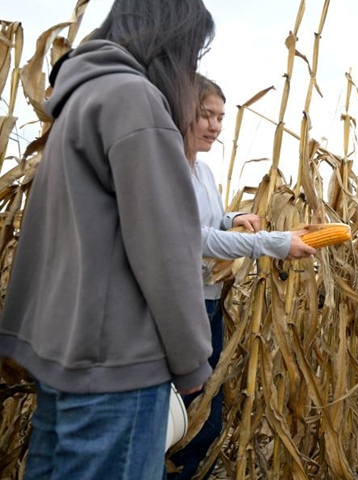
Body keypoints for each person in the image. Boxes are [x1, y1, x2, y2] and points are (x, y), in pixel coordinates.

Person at [0, 1, 216, 478]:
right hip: (119, 362)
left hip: (66, 351)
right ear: (171, 41)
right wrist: (193, 361)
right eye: (192, 53)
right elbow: (166, 251)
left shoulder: (82, 97)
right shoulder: (134, 101)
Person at [167, 75, 315, 480]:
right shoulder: (167, 169)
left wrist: (235, 218)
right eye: (205, 116)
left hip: (211, 303)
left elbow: (211, 222)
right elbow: (192, 238)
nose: (214, 126)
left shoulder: (204, 171)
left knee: (205, 414)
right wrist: (276, 243)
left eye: (220, 117)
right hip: (182, 308)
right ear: (181, 112)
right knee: (184, 417)